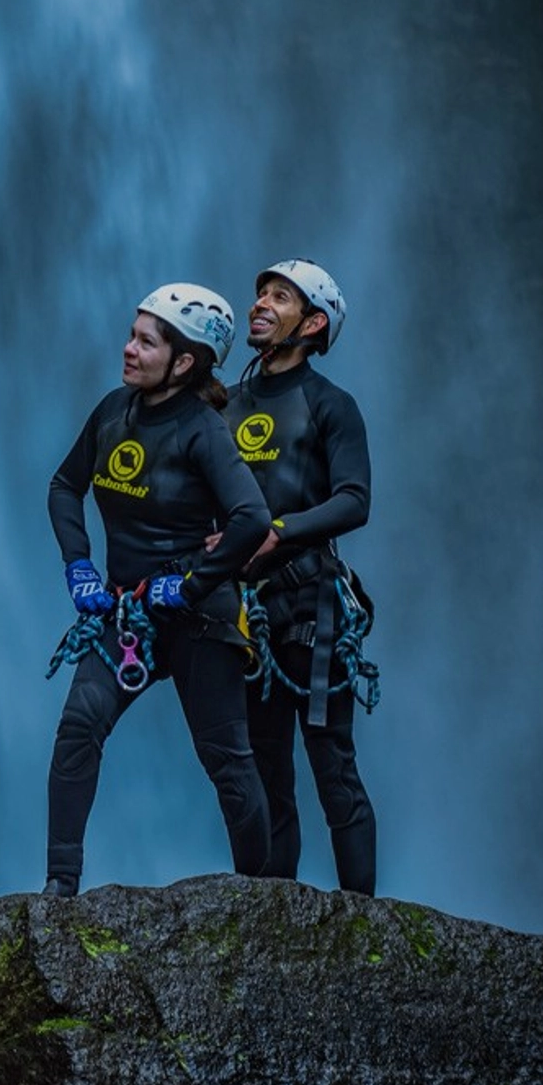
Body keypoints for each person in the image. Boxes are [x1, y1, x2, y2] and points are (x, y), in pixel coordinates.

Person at [43, 284, 274, 897]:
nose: (128, 348)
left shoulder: (203, 430)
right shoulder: (113, 411)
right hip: (128, 614)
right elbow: (65, 486)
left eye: (145, 341)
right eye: (132, 333)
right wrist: (79, 566)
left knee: (227, 760)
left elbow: (251, 516)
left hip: (199, 619)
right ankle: (60, 889)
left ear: (185, 361)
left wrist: (193, 584)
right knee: (78, 727)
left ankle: (262, 903)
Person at [220, 259, 377, 895]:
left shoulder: (331, 405)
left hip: (311, 609)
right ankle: (270, 923)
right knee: (262, 773)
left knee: (332, 766)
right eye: (260, 292)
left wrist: (278, 532)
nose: (259, 303)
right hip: (243, 613)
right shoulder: (225, 405)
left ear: (312, 323)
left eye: (279, 297)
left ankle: (367, 929)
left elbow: (354, 500)